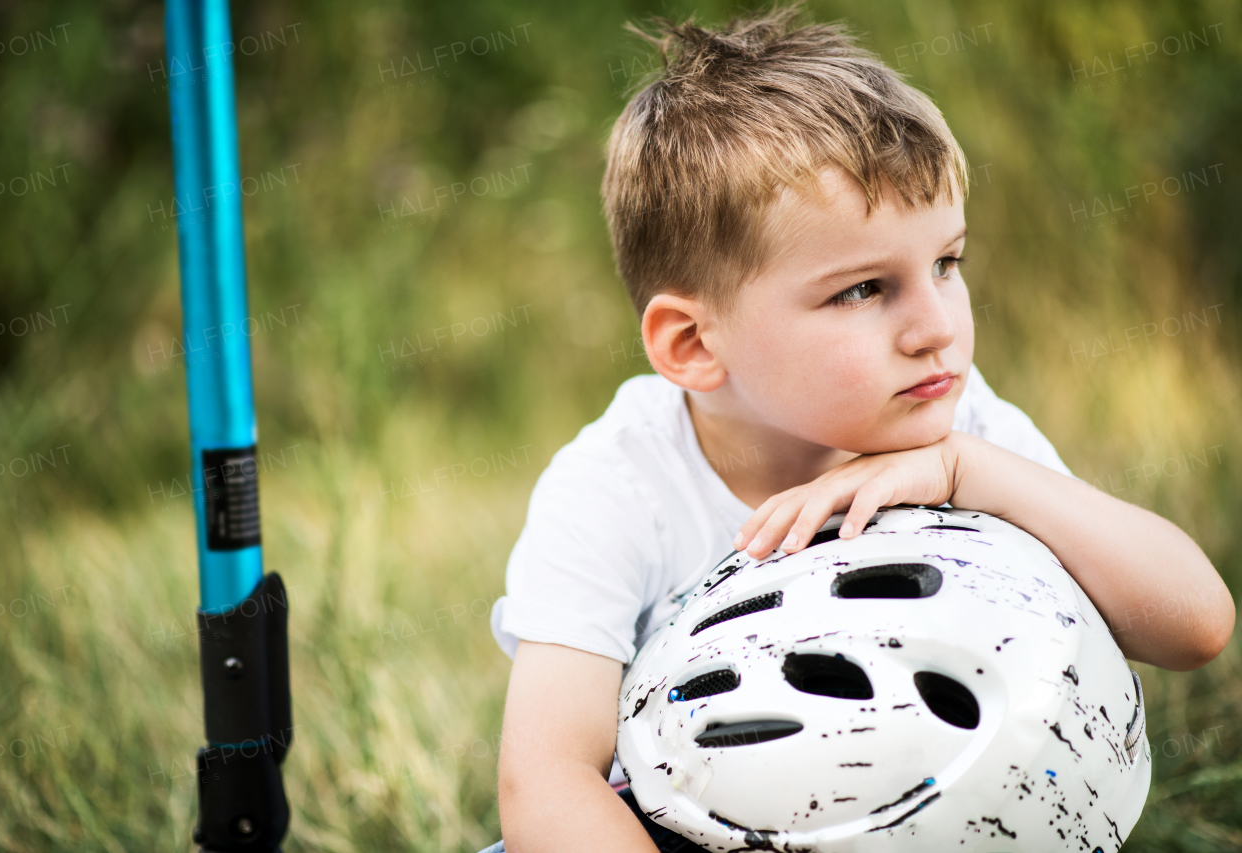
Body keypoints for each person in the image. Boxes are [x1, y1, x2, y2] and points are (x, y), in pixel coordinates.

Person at [480, 7, 1235, 852]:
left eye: (947, 264)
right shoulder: (618, 486)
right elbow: (547, 780)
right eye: (864, 289)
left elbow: (1194, 622)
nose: (935, 326)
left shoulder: (961, 430)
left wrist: (964, 471)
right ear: (694, 344)